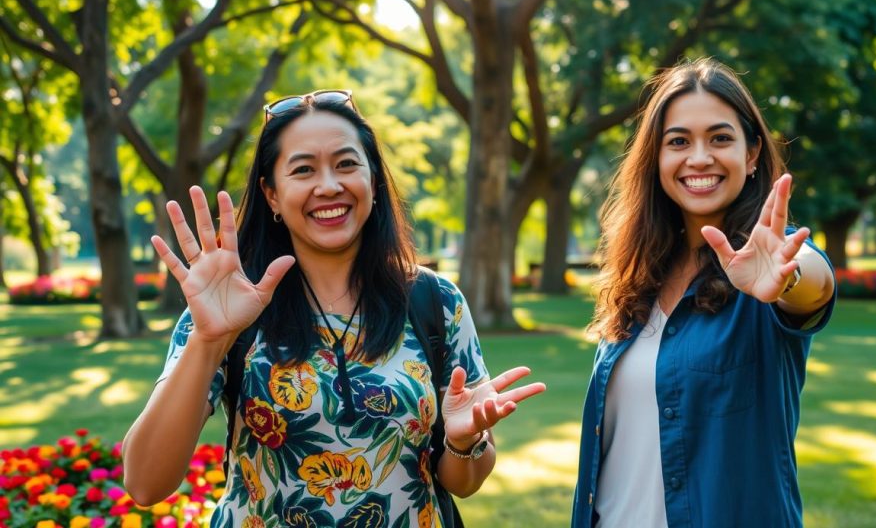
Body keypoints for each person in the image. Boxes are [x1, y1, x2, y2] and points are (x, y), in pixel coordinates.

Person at [122, 89, 546, 527]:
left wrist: (462, 441)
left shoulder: (435, 301)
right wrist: (210, 340)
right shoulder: (229, 305)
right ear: (271, 194)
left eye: (346, 164)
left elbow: (464, 481)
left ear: (374, 181)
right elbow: (145, 483)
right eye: (303, 170)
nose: (328, 186)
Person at [572, 58, 837, 527]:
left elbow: (812, 287)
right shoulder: (636, 281)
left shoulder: (771, 262)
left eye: (720, 138)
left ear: (752, 153)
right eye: (679, 142)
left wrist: (789, 277)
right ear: (656, 158)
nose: (698, 158)